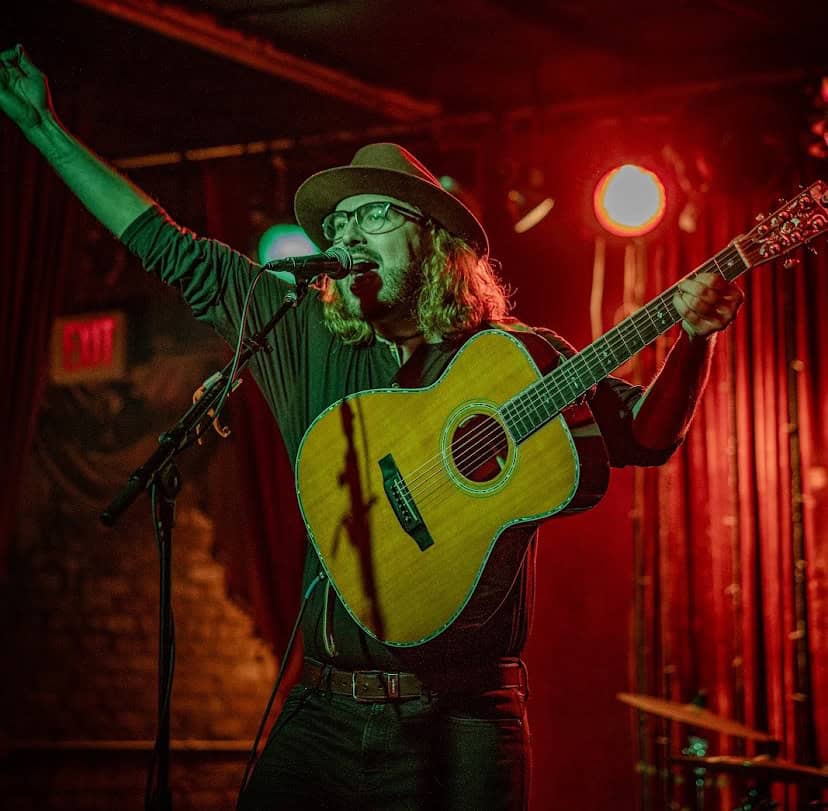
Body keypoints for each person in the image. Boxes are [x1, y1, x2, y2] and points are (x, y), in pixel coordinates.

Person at [1, 45, 743, 809]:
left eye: (374, 215)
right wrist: (43, 129)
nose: (348, 233)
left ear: (434, 242)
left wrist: (696, 337)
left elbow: (650, 436)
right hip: (321, 711)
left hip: (463, 721)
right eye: (339, 221)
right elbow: (166, 245)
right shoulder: (301, 336)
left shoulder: (514, 360)